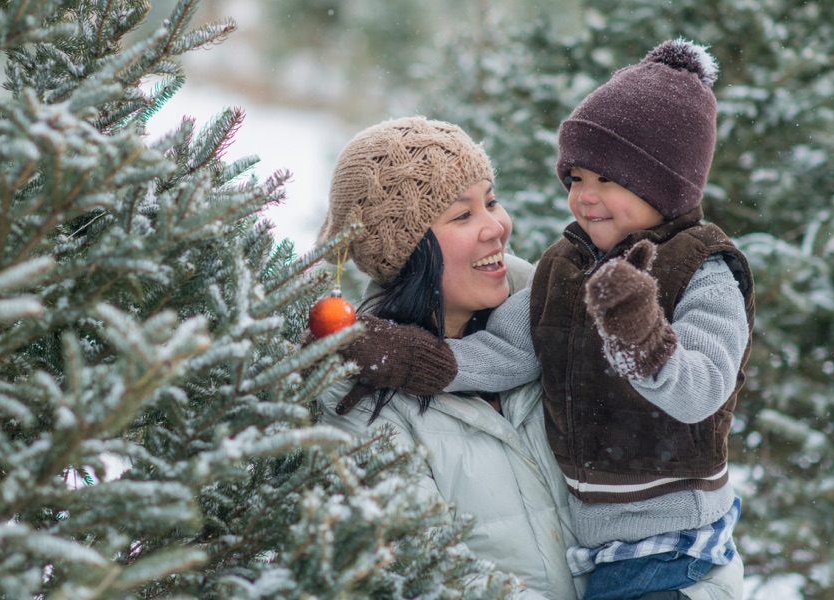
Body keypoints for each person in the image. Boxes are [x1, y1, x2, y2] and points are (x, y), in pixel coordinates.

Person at [435, 39, 756, 600]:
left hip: (670, 544)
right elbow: (509, 352)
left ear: (663, 184)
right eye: (576, 178)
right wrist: (414, 358)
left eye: (608, 179)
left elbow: (702, 388)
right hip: (596, 545)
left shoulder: (702, 268)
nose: (585, 197)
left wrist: (644, 337)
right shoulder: (566, 264)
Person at [314, 116, 586, 599]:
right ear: (407, 254)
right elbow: (429, 569)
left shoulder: (559, 326)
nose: (496, 228)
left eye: (491, 201)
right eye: (463, 215)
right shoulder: (359, 389)